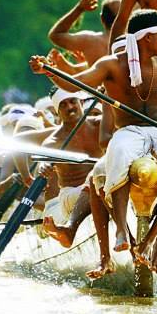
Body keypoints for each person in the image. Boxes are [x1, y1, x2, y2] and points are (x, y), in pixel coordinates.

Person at [31, 9, 157, 287]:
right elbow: (74, 84)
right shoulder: (110, 65)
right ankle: (122, 230)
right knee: (119, 152)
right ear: (146, 38)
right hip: (128, 132)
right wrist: (48, 71)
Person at [39, 89, 102, 248]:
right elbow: (44, 161)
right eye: (63, 105)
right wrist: (44, 166)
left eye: (73, 101)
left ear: (81, 103)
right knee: (96, 180)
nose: (70, 107)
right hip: (72, 197)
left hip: (105, 186)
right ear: (58, 112)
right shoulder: (53, 142)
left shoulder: (99, 125)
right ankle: (69, 229)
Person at [48, 0, 121, 67]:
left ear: (102, 18)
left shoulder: (90, 40)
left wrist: (79, 9)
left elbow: (55, 35)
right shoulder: (131, 41)